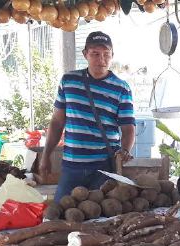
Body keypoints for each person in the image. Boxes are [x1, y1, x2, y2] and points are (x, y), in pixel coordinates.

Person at [38, 31, 135, 202]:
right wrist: (46, 156)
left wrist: (125, 150)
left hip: (104, 167)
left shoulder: (122, 88)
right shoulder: (68, 81)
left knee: (101, 218)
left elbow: (128, 128)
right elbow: (56, 122)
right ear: (85, 55)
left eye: (106, 54)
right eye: (95, 54)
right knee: (62, 211)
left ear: (112, 55)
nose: (101, 59)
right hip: (71, 166)